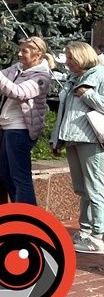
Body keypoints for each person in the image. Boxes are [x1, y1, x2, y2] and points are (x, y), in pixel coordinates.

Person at [0, 36, 54, 205]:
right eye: (19, 50)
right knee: (5, 173)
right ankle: (19, 214)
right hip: (8, 127)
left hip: (21, 130)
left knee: (21, 178)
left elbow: (18, 92)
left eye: (24, 51)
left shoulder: (41, 77)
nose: (19, 54)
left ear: (38, 54)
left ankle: (29, 220)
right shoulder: (18, 68)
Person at [50, 41, 104, 253]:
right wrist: (57, 139)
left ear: (82, 56)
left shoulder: (100, 74)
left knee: (95, 188)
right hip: (72, 138)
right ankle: (85, 230)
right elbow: (64, 111)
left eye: (71, 57)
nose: (68, 62)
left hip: (91, 139)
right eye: (67, 57)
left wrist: (88, 95)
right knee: (82, 188)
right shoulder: (74, 79)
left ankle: (98, 235)